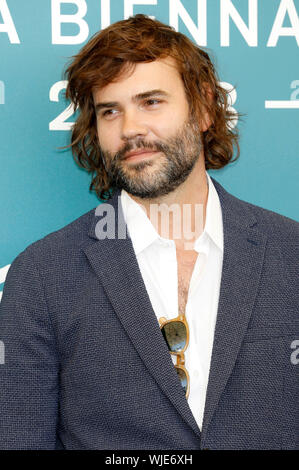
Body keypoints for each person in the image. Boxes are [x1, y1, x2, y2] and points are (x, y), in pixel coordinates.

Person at [0, 14, 298, 450]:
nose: (131, 129)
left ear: (202, 108)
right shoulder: (43, 275)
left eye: (151, 102)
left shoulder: (291, 252)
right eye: (110, 111)